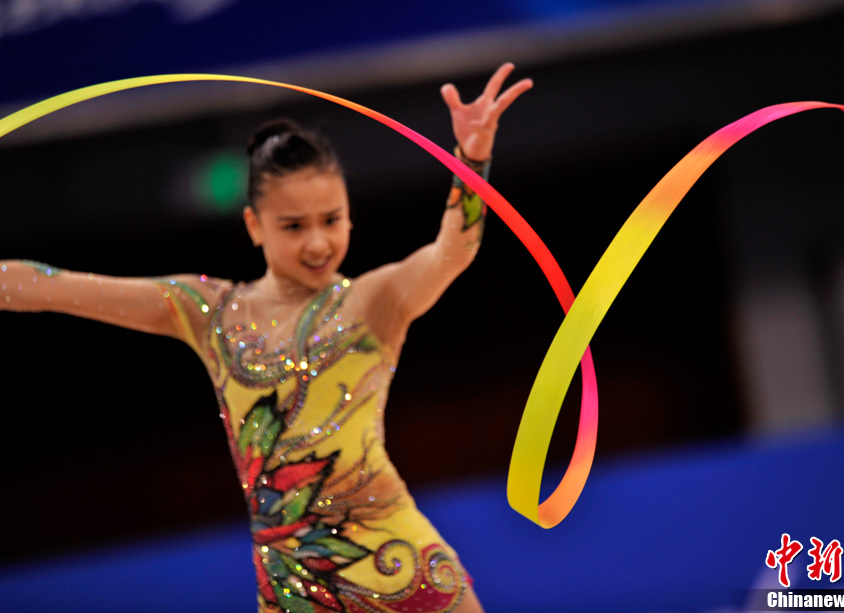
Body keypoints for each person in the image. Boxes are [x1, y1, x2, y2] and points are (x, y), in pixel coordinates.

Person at [0, 63, 532, 613]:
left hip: (402, 566)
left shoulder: (373, 301)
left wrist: (472, 158)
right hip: (291, 589)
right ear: (255, 225)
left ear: (350, 217)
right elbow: (57, 288)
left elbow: (454, 250)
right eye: (294, 226)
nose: (318, 242)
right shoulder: (207, 313)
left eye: (332, 220)